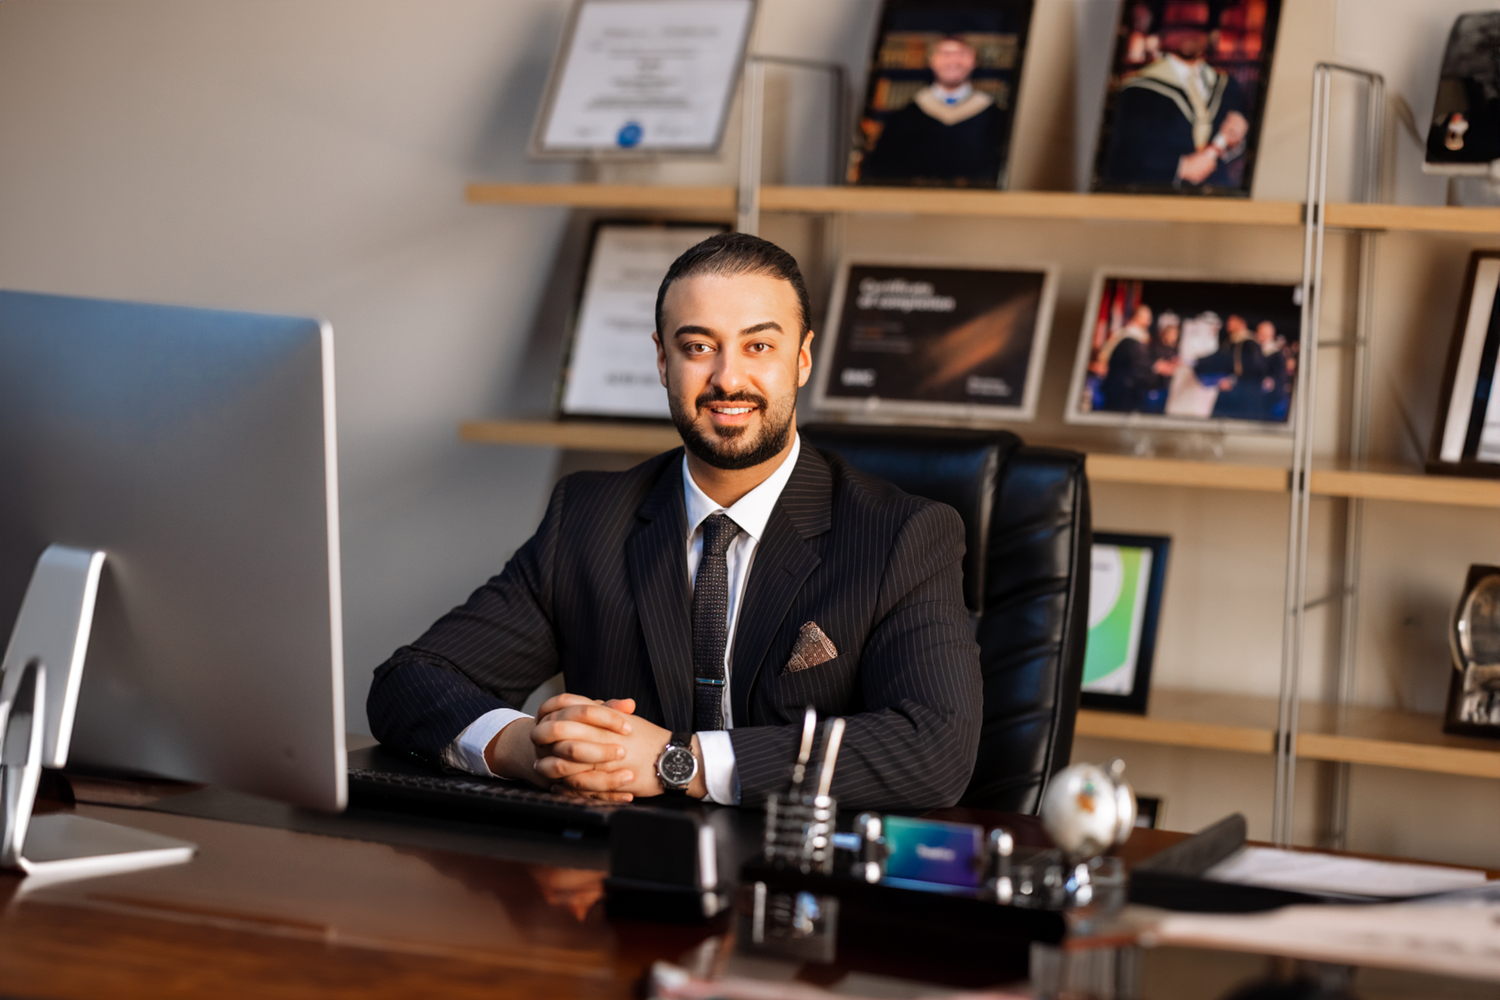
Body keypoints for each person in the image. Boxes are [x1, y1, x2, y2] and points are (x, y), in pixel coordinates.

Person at [367, 233, 983, 810]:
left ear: (801, 358)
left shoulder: (903, 535)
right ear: (663, 361)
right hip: (611, 878)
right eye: (698, 347)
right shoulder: (586, 518)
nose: (727, 378)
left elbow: (934, 747)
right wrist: (529, 749)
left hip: (797, 879)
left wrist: (676, 763)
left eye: (758, 346)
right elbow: (410, 682)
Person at [1100, 3, 1250, 189]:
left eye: (1198, 24)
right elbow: (1119, 163)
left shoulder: (1228, 87)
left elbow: (1245, 159)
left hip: (1217, 201)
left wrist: (1235, 144)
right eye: (1181, 22)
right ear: (1162, 27)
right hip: (1156, 202)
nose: (1190, 32)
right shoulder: (1135, 91)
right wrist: (1179, 169)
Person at [860, 35, 1007, 186]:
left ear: (974, 62)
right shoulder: (904, 118)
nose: (954, 61)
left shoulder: (996, 118)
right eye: (946, 54)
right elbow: (880, 173)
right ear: (932, 61)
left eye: (962, 54)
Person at [1194, 313, 1266, 420]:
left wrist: (1233, 381)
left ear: (1241, 323)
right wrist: (1196, 361)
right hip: (1228, 395)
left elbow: (1255, 370)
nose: (1228, 324)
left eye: (1232, 320)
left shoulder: (1250, 344)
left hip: (1244, 397)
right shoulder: (1230, 342)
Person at [1097, 304, 1154, 412]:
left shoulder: (1142, 336)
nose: (1149, 321)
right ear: (1137, 317)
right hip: (1120, 388)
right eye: (1147, 318)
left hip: (1132, 389)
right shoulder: (1125, 334)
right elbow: (1105, 354)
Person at [1144, 311, 1182, 414]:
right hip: (1154, 388)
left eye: (1176, 333)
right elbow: (1152, 366)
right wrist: (1167, 365)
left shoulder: (1174, 349)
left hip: (1167, 389)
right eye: (1173, 332)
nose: (1175, 335)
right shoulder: (1155, 347)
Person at [1255, 319, 1289, 421]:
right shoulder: (1256, 350)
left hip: (1272, 397)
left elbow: (1279, 375)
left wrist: (1272, 381)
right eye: (1259, 332)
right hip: (1258, 395)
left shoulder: (1276, 353)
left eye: (1262, 332)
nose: (1259, 335)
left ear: (1269, 334)